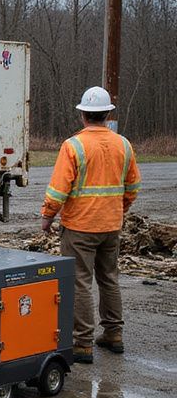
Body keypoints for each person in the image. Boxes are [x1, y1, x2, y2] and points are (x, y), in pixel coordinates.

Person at [40, 86, 140, 364]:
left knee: (80, 281)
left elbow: (59, 190)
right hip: (111, 226)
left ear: (83, 115)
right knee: (109, 278)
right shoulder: (124, 144)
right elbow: (133, 186)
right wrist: (119, 209)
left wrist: (47, 216)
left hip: (80, 227)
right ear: (108, 115)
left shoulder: (73, 146)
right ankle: (114, 334)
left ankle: (82, 343)